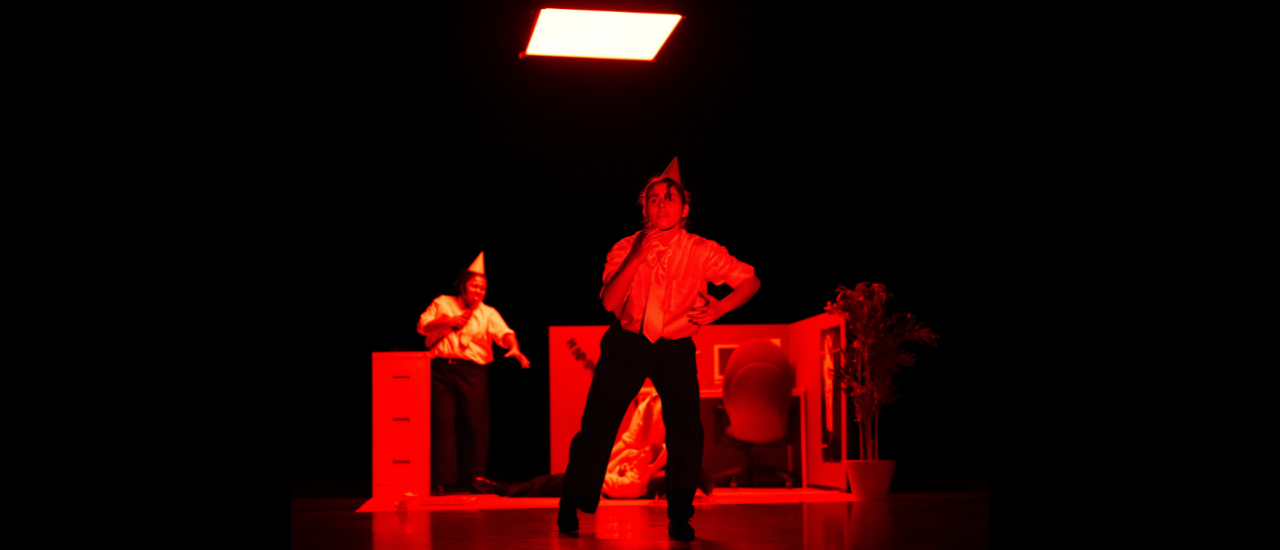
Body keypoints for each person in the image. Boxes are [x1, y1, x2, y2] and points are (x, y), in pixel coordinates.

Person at [558, 158, 761, 541]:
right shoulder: (624, 246)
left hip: (674, 346)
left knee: (686, 428)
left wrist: (718, 308)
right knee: (597, 424)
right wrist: (636, 256)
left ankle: (681, 513)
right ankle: (572, 500)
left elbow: (750, 281)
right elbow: (607, 302)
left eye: (670, 198)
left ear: (684, 209)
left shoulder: (702, 250)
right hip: (627, 342)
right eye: (654, 199)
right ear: (645, 208)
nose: (662, 204)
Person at [417, 252, 531, 495]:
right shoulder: (443, 303)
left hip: (473, 372)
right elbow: (422, 326)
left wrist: (514, 347)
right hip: (442, 369)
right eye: (474, 286)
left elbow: (504, 332)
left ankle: (475, 479)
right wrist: (448, 321)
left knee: (475, 425)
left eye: (483, 288)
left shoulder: (487, 312)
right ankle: (441, 481)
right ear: (463, 285)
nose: (478, 291)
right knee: (442, 423)